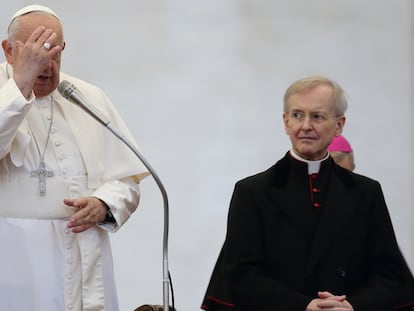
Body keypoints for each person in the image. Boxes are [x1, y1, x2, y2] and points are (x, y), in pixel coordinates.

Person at [201, 76, 414, 310]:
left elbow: (391, 275)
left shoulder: (366, 192)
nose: (305, 126)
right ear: (285, 122)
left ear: (339, 125)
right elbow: (240, 276)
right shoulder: (252, 192)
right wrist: (303, 306)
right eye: (297, 115)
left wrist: (353, 306)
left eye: (317, 116)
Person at [0, 5, 149, 311]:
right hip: (16, 260)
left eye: (53, 53)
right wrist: (20, 86)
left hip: (84, 256)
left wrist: (104, 204)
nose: (46, 64)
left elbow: (127, 179)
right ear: (8, 50)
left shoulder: (85, 96)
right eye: (35, 54)